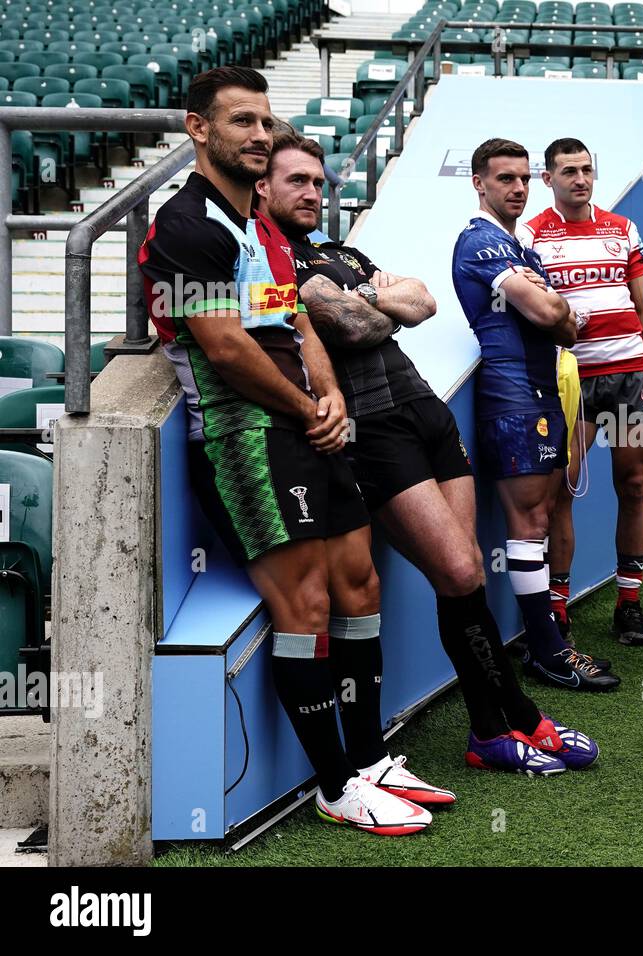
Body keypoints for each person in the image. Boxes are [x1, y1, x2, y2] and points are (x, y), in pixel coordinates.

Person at [139, 67, 448, 836]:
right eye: (241, 121)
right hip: (246, 439)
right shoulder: (186, 224)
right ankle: (336, 785)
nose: (258, 135)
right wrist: (313, 406)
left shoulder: (264, 224)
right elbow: (226, 348)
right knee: (304, 609)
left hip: (307, 426)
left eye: (265, 121)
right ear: (198, 129)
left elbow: (294, 321)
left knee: (359, 582)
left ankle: (371, 756)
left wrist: (332, 394)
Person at [258, 128, 598, 775]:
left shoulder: (339, 253)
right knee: (462, 573)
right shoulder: (277, 266)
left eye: (315, 180)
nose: (311, 191)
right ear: (262, 188)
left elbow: (424, 300)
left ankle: (492, 729)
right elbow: (362, 323)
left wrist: (368, 299)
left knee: (465, 571)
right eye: (294, 181)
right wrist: (375, 300)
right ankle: (514, 718)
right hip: (373, 429)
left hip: (426, 412)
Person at [450, 137, 621, 691]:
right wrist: (556, 311)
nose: (518, 188)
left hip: (542, 392)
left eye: (524, 178)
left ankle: (548, 644)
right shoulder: (480, 243)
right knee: (530, 523)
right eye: (505, 179)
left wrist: (558, 313)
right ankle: (546, 649)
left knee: (543, 516)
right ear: (479, 183)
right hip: (512, 396)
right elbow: (552, 311)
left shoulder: (519, 248)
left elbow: (565, 326)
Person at [520, 138, 643, 646]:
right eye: (568, 171)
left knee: (635, 485)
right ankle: (559, 608)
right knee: (561, 493)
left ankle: (629, 602)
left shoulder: (623, 229)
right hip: (570, 380)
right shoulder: (531, 235)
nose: (580, 179)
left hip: (630, 374)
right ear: (548, 179)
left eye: (586, 170)